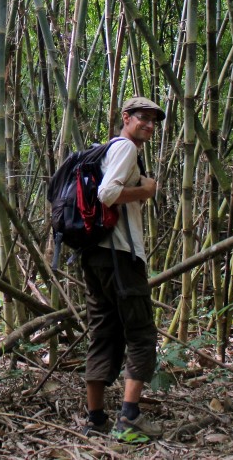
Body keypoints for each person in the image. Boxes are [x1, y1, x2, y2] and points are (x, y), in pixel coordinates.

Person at [82, 96, 165, 438]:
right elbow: (107, 193)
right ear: (126, 118)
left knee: (103, 334)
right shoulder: (125, 148)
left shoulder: (106, 150)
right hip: (119, 256)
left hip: (95, 256)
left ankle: (96, 420)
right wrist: (145, 190)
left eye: (152, 121)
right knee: (142, 334)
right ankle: (129, 417)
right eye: (142, 118)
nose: (148, 124)